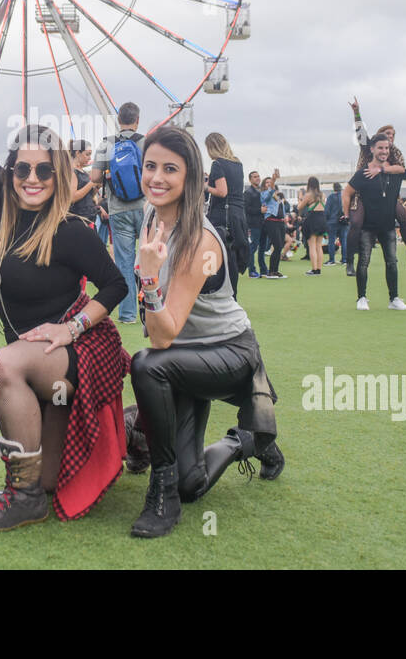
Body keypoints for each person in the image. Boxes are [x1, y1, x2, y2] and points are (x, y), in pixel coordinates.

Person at [0, 33, 129, 530]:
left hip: (76, 351)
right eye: (22, 168)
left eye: (43, 169)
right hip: (42, 362)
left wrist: (72, 328)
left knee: (4, 364)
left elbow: (116, 286)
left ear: (59, 174)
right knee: (53, 477)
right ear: (11, 172)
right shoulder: (5, 207)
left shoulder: (71, 231)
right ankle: (121, 440)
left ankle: (22, 499)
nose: (31, 177)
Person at [124, 126, 283, 538]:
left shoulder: (202, 241)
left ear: (191, 177)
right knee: (194, 483)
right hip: (184, 356)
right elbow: (160, 331)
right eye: (150, 166)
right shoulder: (149, 219)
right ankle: (247, 439)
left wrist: (147, 281)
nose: (156, 177)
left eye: (170, 169)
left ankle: (164, 493)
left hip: (229, 353)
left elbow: (159, 337)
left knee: (147, 365)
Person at [349, 98, 406, 269]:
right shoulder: (370, 147)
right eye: (388, 134)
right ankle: (349, 260)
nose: (391, 138)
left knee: (404, 217)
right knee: (356, 222)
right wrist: (356, 113)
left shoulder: (396, 153)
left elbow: (402, 171)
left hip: (386, 196)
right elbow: (361, 133)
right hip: (363, 195)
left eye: (393, 135)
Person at [342, 135, 406, 312]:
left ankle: (394, 298)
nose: (384, 151)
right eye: (380, 148)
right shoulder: (363, 173)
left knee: (392, 262)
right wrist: (346, 213)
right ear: (372, 149)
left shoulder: (393, 170)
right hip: (367, 226)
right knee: (364, 261)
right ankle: (361, 298)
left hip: (388, 226)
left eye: (387, 148)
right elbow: (347, 192)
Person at [92, 102, 145, 324]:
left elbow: (94, 177)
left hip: (118, 208)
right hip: (145, 206)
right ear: (137, 120)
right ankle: (154, 309)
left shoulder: (107, 144)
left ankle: (128, 314)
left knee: (125, 261)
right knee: (152, 257)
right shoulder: (146, 142)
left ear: (118, 120)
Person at [204, 132, 250, 298]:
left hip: (222, 216)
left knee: (217, 258)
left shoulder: (217, 164)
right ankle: (232, 296)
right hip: (238, 215)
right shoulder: (238, 164)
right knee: (232, 259)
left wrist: (204, 187)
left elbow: (222, 192)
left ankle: (217, 295)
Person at [296, 177, 327, 275]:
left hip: (312, 219)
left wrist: (300, 198)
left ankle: (314, 269)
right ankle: (319, 269)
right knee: (319, 246)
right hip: (322, 219)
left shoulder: (308, 195)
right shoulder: (322, 195)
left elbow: (299, 207)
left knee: (312, 246)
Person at [260, 184, 289, 279]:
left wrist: (284, 217)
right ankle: (271, 271)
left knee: (279, 246)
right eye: (267, 183)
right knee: (277, 245)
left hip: (280, 222)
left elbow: (281, 208)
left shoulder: (278, 197)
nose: (269, 185)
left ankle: (275, 270)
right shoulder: (265, 194)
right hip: (271, 221)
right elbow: (269, 194)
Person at [68, 139, 99, 228]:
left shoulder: (83, 172)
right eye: (87, 154)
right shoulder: (72, 172)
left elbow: (89, 195)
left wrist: (96, 187)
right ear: (78, 153)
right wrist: (91, 183)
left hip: (88, 218)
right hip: (78, 220)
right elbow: (72, 197)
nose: (89, 158)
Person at [243, 171, 266, 277]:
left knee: (262, 248)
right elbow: (246, 209)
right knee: (253, 248)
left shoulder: (261, 191)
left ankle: (264, 270)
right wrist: (259, 210)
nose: (257, 178)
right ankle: (251, 271)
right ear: (250, 179)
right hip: (253, 224)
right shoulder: (248, 192)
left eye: (258, 176)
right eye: (255, 177)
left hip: (263, 224)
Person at [325, 182, 345, 267]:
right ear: (340, 188)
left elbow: (327, 210)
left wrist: (326, 220)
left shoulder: (330, 197)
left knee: (331, 241)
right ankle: (344, 259)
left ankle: (332, 260)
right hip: (344, 221)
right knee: (344, 240)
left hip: (332, 221)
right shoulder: (344, 196)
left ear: (334, 188)